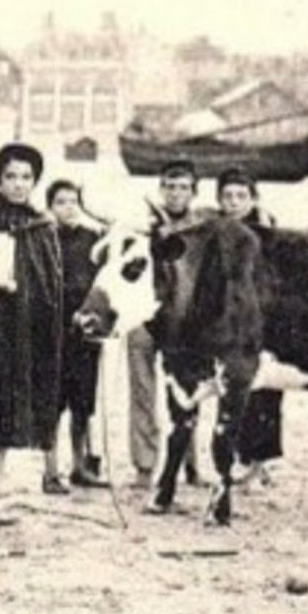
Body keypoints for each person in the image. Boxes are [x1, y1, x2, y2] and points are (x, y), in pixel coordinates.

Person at [0, 143, 64, 522]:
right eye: (10, 177)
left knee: (2, 415)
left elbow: (49, 288)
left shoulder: (41, 225)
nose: (18, 185)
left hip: (15, 334)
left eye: (26, 178)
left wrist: (22, 290)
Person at [127, 159, 207, 488]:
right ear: (161, 189)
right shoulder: (141, 225)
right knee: (143, 393)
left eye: (183, 188)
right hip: (144, 318)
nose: (176, 194)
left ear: (193, 192)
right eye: (170, 187)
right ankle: (144, 467)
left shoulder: (202, 229)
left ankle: (189, 464)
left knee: (187, 394)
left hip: (185, 323)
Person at [216, 168, 282, 489]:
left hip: (265, 318)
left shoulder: (267, 230)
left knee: (267, 394)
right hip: (230, 323)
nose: (234, 202)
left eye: (241, 196)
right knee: (236, 393)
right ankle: (245, 459)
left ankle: (263, 462)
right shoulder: (217, 230)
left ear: (253, 199)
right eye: (227, 196)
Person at [41, 180, 108, 494]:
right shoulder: (43, 238)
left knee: (84, 401)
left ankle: (80, 465)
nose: (68, 208)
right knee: (54, 403)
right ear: (50, 206)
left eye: (73, 201)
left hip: (86, 330)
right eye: (60, 202)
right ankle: (50, 471)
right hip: (53, 333)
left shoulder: (93, 239)